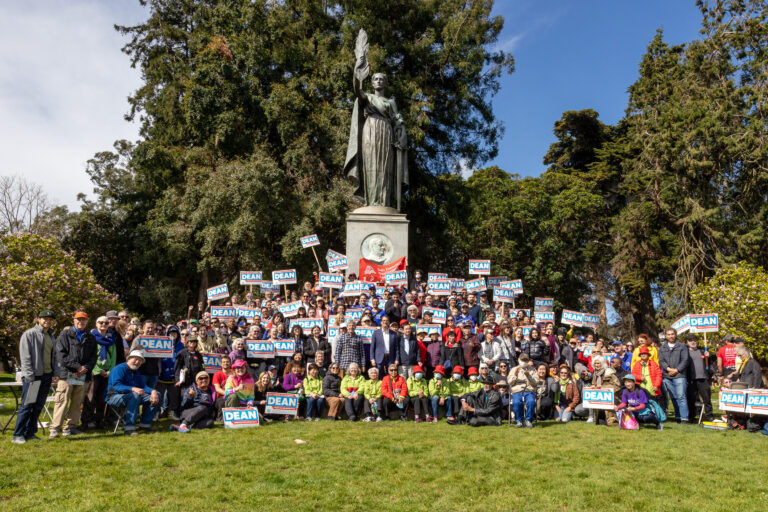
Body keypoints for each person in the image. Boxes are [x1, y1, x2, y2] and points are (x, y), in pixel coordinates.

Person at [49, 311, 98, 438]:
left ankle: (71, 427)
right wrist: (77, 367)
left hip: (83, 375)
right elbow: (61, 354)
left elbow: (94, 357)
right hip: (67, 374)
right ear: (74, 321)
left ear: (87, 321)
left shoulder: (90, 337)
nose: (81, 322)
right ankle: (55, 428)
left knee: (77, 402)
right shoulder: (65, 334)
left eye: (84, 320)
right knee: (62, 400)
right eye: (78, 319)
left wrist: (86, 367)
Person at [13, 310, 57, 444]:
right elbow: (25, 357)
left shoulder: (51, 335)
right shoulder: (29, 334)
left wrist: (54, 373)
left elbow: (52, 356)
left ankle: (30, 433)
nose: (47, 321)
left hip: (47, 375)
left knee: (38, 406)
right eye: (44, 318)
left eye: (50, 319)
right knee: (27, 405)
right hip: (33, 376)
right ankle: (18, 435)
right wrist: (29, 376)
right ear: (38, 319)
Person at [105, 350, 160, 435]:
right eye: (135, 359)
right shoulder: (119, 369)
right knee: (134, 395)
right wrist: (133, 388)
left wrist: (153, 391)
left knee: (157, 395)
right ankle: (129, 428)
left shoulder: (136, 372)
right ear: (129, 359)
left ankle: (145, 424)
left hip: (131, 396)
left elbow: (143, 386)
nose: (137, 362)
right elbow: (117, 386)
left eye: (140, 360)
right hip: (114, 396)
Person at [83, 314, 119, 429]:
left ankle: (99, 421)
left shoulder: (111, 339)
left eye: (106, 323)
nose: (103, 324)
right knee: (90, 398)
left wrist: (110, 371)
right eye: (100, 322)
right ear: (96, 324)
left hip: (107, 373)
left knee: (102, 398)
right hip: (94, 372)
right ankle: (87, 421)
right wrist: (98, 370)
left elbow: (114, 357)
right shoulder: (90, 337)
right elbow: (89, 356)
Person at [659, 328, 689, 423]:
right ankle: (678, 416)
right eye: (668, 334)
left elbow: (685, 360)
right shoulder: (662, 347)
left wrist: (676, 370)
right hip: (667, 376)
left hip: (679, 375)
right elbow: (661, 361)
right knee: (673, 397)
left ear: (675, 335)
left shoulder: (682, 346)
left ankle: (684, 418)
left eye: (672, 334)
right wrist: (668, 369)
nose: (670, 336)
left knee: (681, 396)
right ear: (666, 336)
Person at [686, 334, 713, 422]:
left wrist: (708, 357)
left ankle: (709, 415)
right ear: (687, 342)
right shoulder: (685, 353)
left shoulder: (702, 351)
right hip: (691, 379)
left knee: (707, 398)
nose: (693, 342)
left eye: (694, 340)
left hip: (703, 378)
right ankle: (692, 416)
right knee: (691, 399)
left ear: (697, 341)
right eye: (690, 340)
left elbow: (710, 363)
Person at [510, 354, 538, 428]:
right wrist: (515, 375)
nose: (524, 362)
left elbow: (535, 383)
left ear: (528, 361)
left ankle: (528, 420)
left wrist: (528, 376)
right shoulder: (513, 369)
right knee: (516, 402)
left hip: (529, 391)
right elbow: (510, 382)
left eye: (525, 360)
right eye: (522, 360)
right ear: (518, 360)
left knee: (531, 402)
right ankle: (519, 421)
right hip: (517, 391)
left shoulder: (533, 370)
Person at [212, 355, 233, 420]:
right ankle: (220, 419)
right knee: (222, 401)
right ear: (221, 364)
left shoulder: (234, 373)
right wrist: (227, 394)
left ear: (230, 363)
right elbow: (217, 389)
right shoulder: (217, 374)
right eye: (223, 362)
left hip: (234, 394)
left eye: (227, 362)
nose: (225, 363)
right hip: (221, 396)